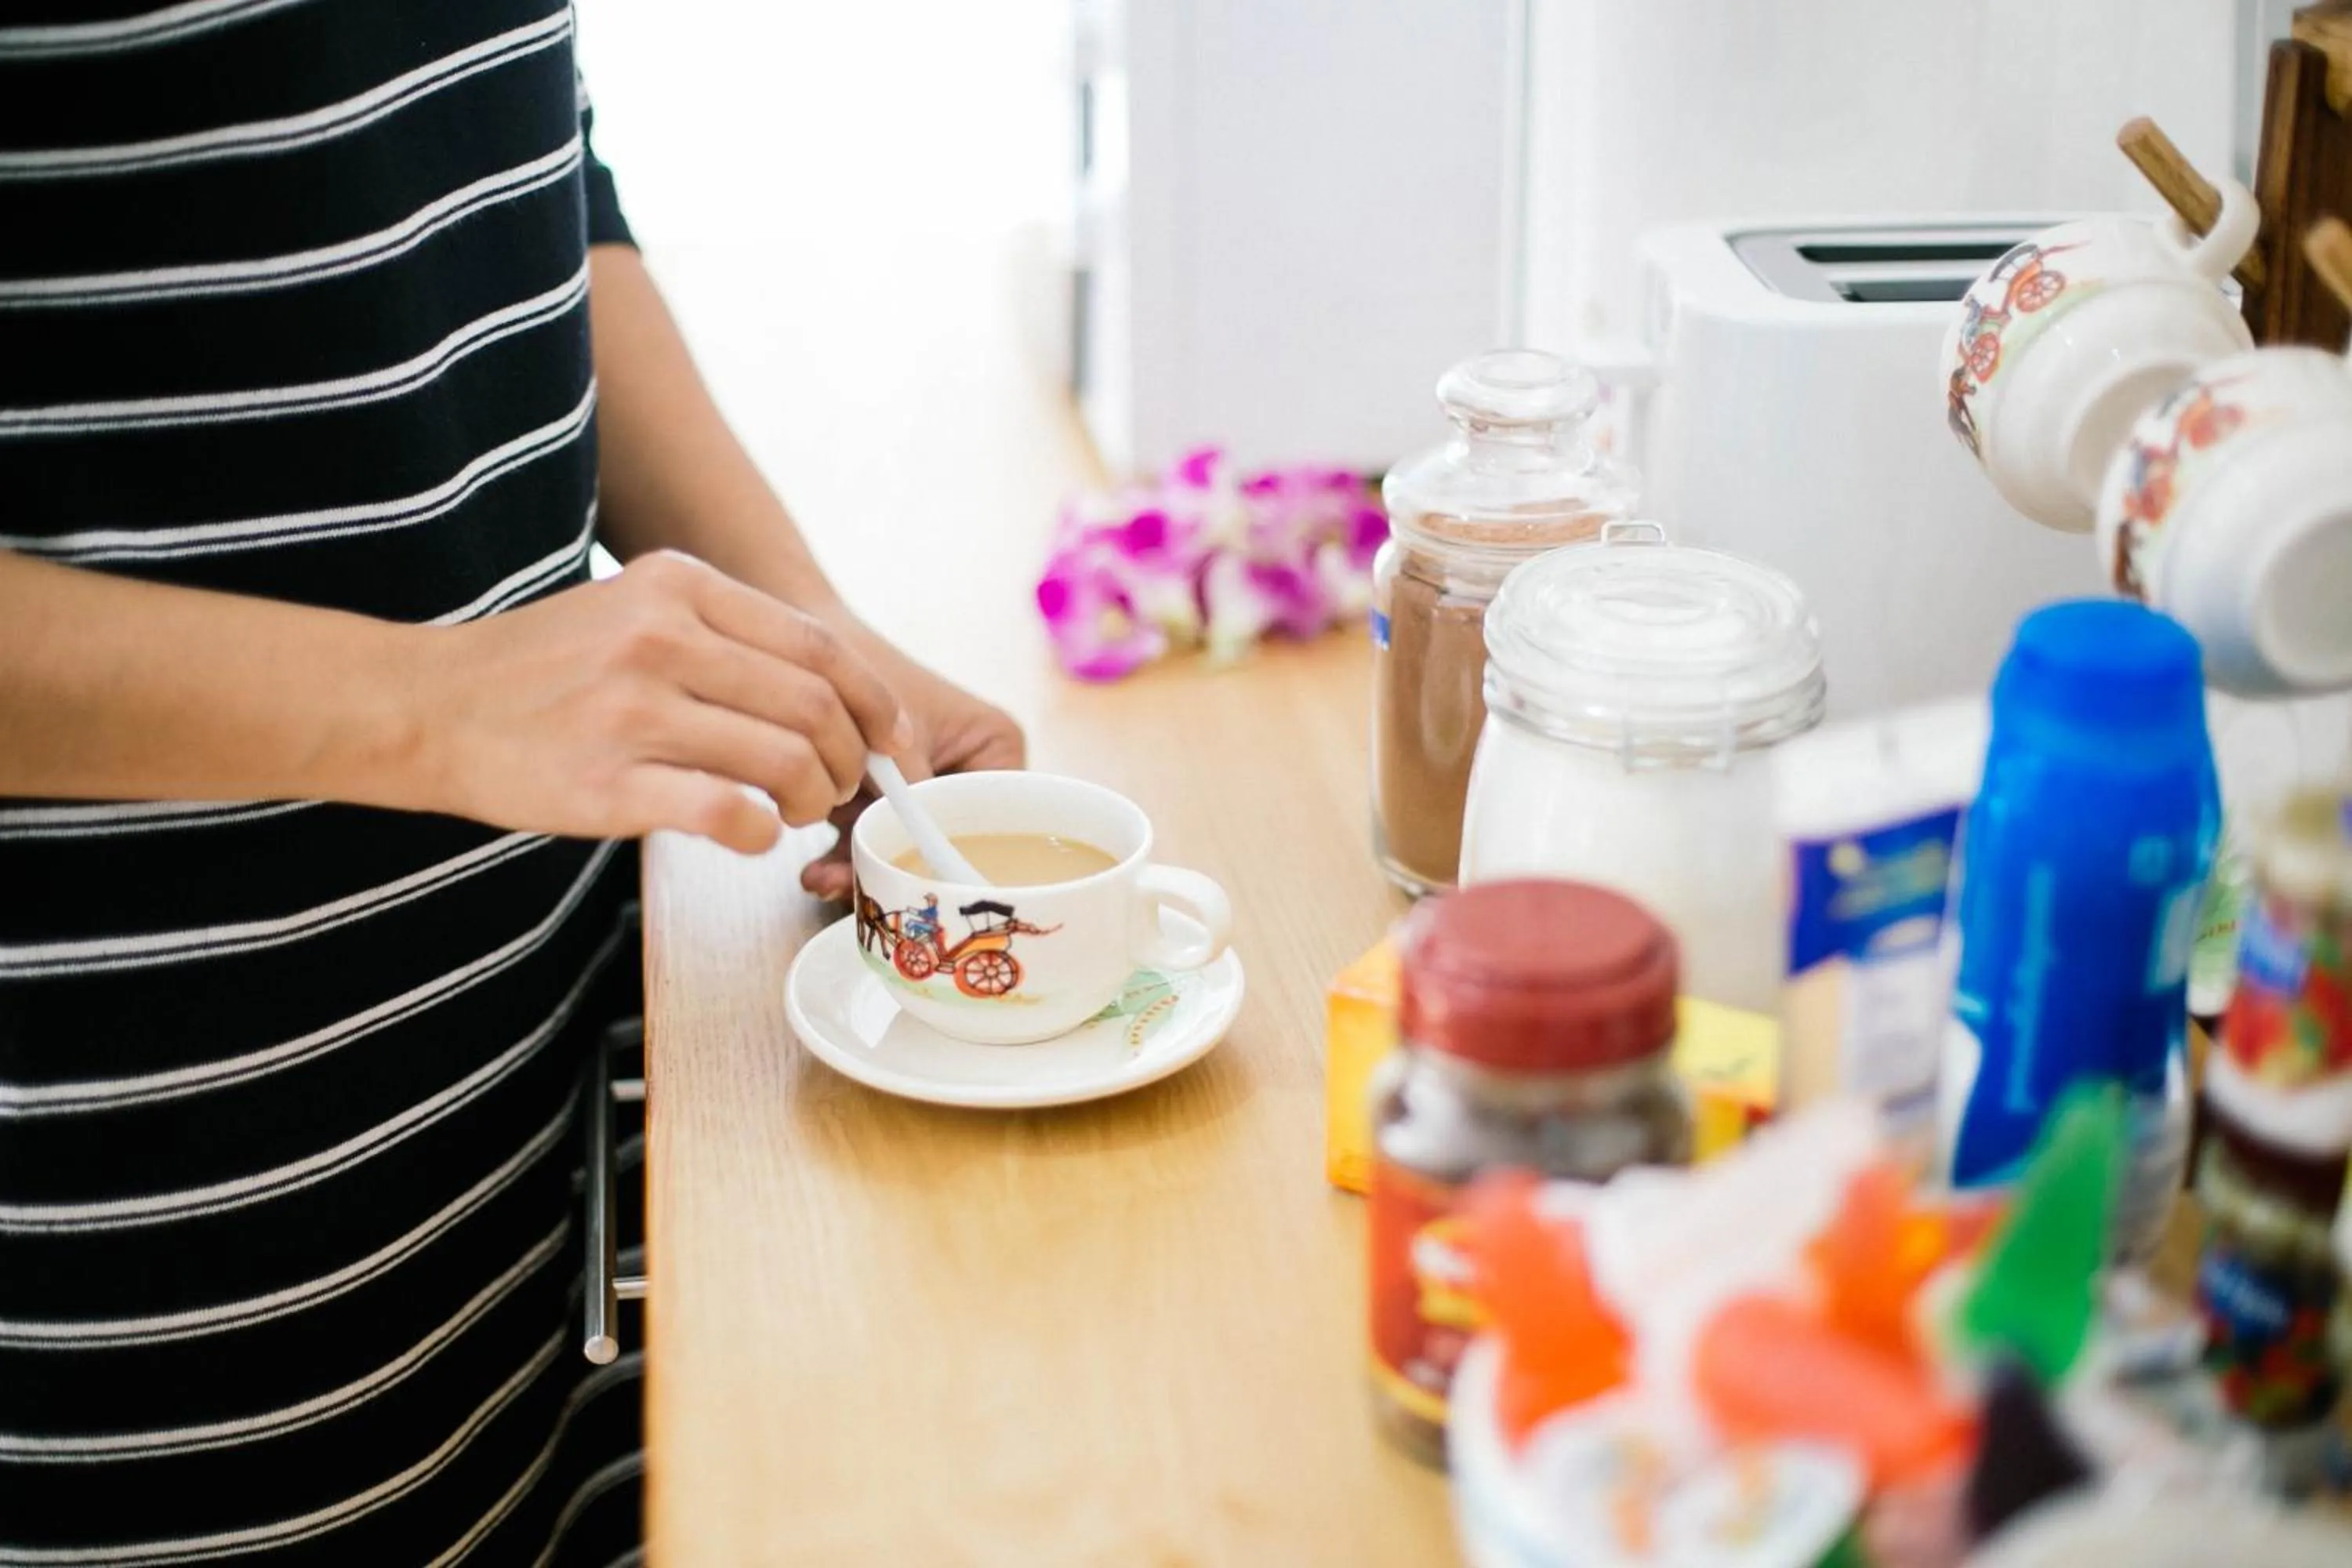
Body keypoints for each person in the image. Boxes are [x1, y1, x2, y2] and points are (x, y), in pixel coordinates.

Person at [0, 3, 1021, 1562]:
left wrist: (801, 627)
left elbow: (501, 157)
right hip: (154, 1261)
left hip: (527, 1078)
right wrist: (431, 704)